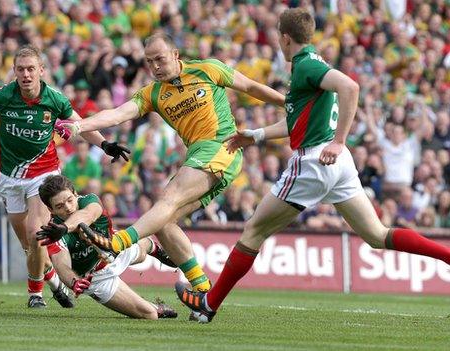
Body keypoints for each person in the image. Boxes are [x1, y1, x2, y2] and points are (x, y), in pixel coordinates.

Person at [175, 8, 450, 323]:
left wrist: (339, 140)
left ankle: (208, 304)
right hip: (338, 165)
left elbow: (351, 87)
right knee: (376, 234)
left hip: (316, 160)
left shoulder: (304, 65)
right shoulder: (312, 63)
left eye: (278, 33)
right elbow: (296, 121)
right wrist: (256, 136)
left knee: (253, 231)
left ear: (284, 37)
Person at [57, 33, 284, 292]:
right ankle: (202, 289)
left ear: (175, 55)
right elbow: (118, 114)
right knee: (163, 221)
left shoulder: (207, 69)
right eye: (149, 62)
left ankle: (118, 242)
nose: (155, 67)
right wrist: (78, 126)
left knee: (168, 198)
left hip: (221, 146)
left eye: (160, 59)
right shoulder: (153, 93)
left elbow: (252, 88)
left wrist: (288, 103)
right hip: (199, 156)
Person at [0, 45, 130, 309]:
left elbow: (81, 125)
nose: (26, 75)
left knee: (36, 233)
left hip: (45, 176)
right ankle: (53, 283)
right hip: (10, 179)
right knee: (31, 247)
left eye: (31, 69)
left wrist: (105, 145)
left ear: (41, 70)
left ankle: (35, 294)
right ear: (14, 72)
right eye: (21, 69)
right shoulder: (3, 96)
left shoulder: (55, 99)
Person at [35, 174, 177, 319]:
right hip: (97, 277)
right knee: (150, 315)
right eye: (59, 206)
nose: (68, 208)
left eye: (70, 200)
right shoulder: (52, 234)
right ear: (50, 209)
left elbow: (89, 214)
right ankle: (155, 307)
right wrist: (74, 282)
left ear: (75, 194)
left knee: (142, 251)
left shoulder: (89, 200)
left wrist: (65, 227)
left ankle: (155, 249)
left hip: (113, 247)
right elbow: (61, 265)